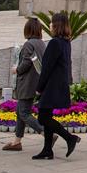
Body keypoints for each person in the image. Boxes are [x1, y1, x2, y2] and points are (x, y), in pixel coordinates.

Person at [33, 12, 80, 159]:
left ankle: (69, 138)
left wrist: (39, 87)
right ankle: (47, 150)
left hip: (52, 86)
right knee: (47, 116)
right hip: (59, 84)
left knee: (42, 118)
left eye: (52, 22)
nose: (50, 25)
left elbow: (47, 68)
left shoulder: (54, 43)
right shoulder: (66, 42)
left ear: (57, 25)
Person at [2, 18, 46, 151]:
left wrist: (17, 69)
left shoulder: (29, 44)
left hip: (27, 83)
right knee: (19, 111)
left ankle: (45, 132)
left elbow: (26, 63)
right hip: (36, 82)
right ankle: (17, 141)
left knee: (24, 113)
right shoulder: (41, 44)